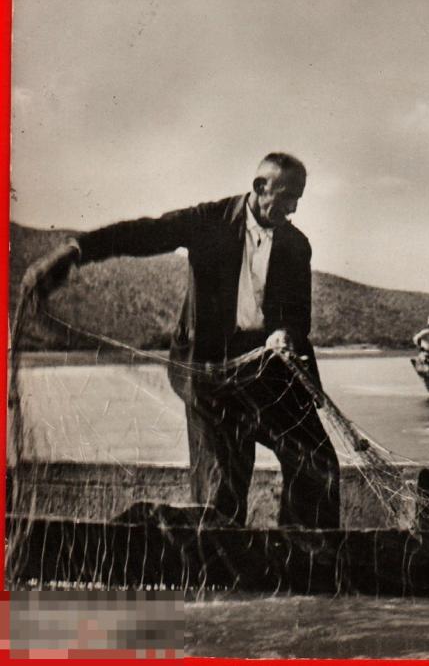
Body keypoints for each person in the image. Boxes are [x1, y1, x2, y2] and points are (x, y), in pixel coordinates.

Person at [20, 152, 342, 529]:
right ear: (260, 187)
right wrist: (76, 250)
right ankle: (214, 553)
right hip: (210, 371)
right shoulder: (209, 221)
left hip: (267, 370)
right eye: (287, 197)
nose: (294, 209)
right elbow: (143, 232)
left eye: (298, 199)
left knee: (316, 462)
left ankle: (304, 554)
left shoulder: (297, 245)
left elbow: (297, 314)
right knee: (223, 487)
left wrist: (283, 332)